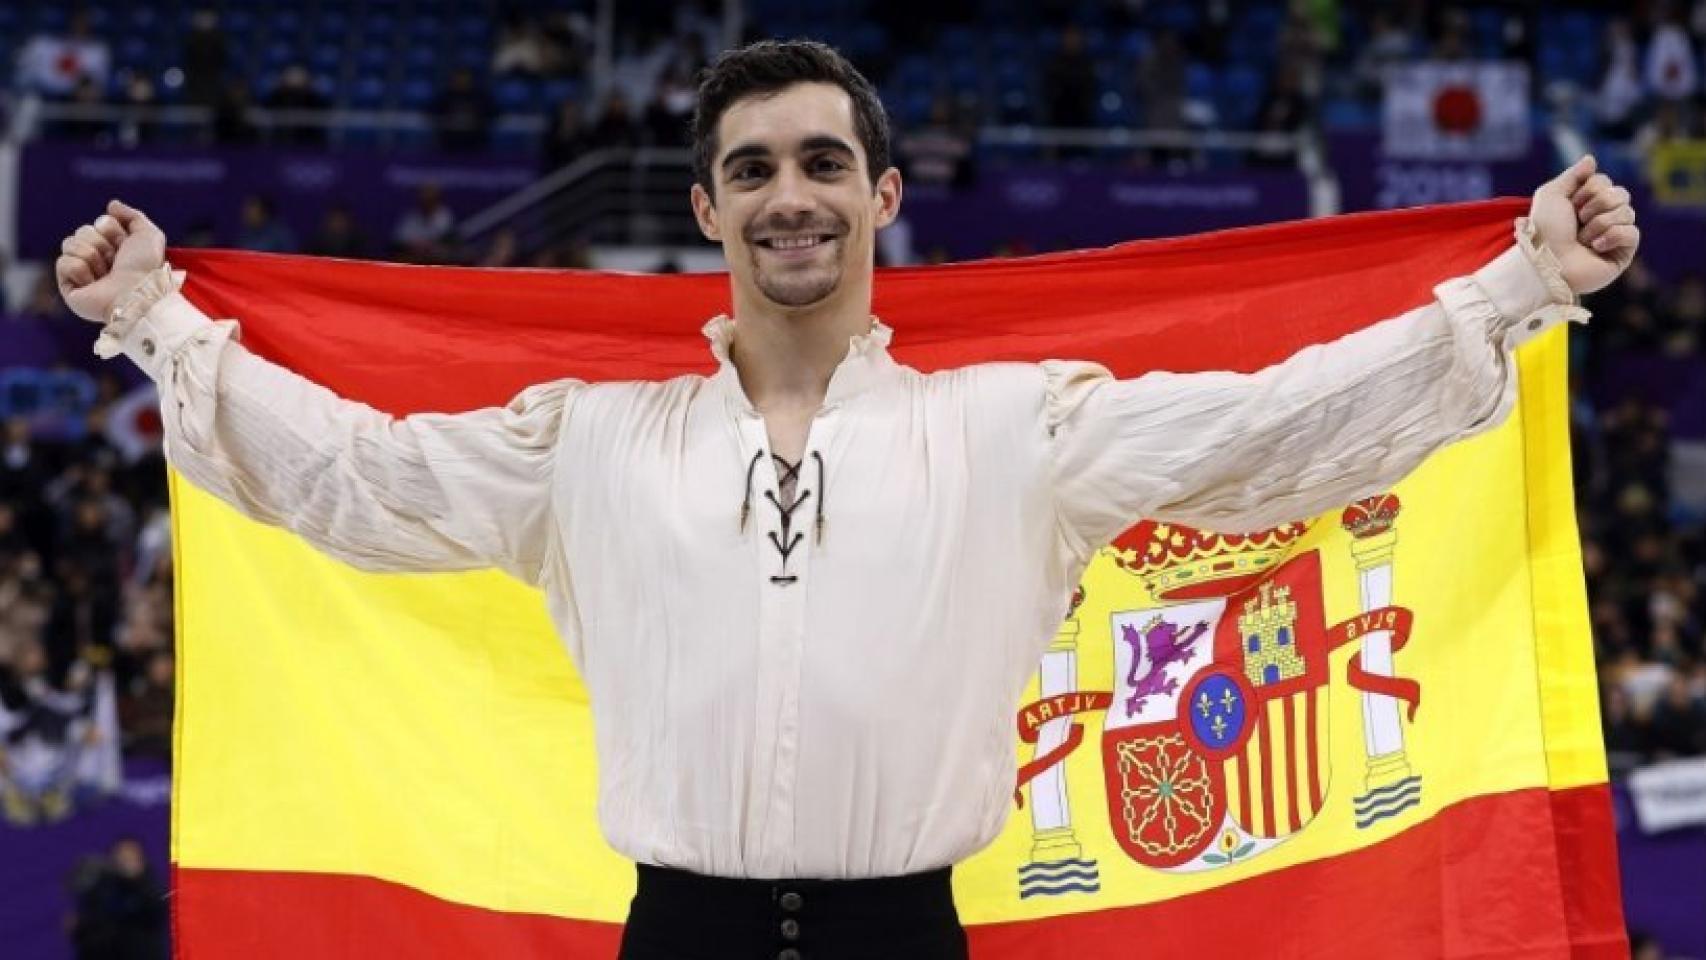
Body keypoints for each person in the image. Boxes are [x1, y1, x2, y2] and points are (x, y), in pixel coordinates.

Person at [53, 40, 1641, 960]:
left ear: (881, 195)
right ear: (703, 210)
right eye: (750, 170)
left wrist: (1510, 290)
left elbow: (1270, 424)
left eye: (821, 162)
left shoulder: (1020, 428)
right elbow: (363, 474)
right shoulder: (588, 443)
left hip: (908, 941)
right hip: (675, 941)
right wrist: (159, 325)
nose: (787, 196)